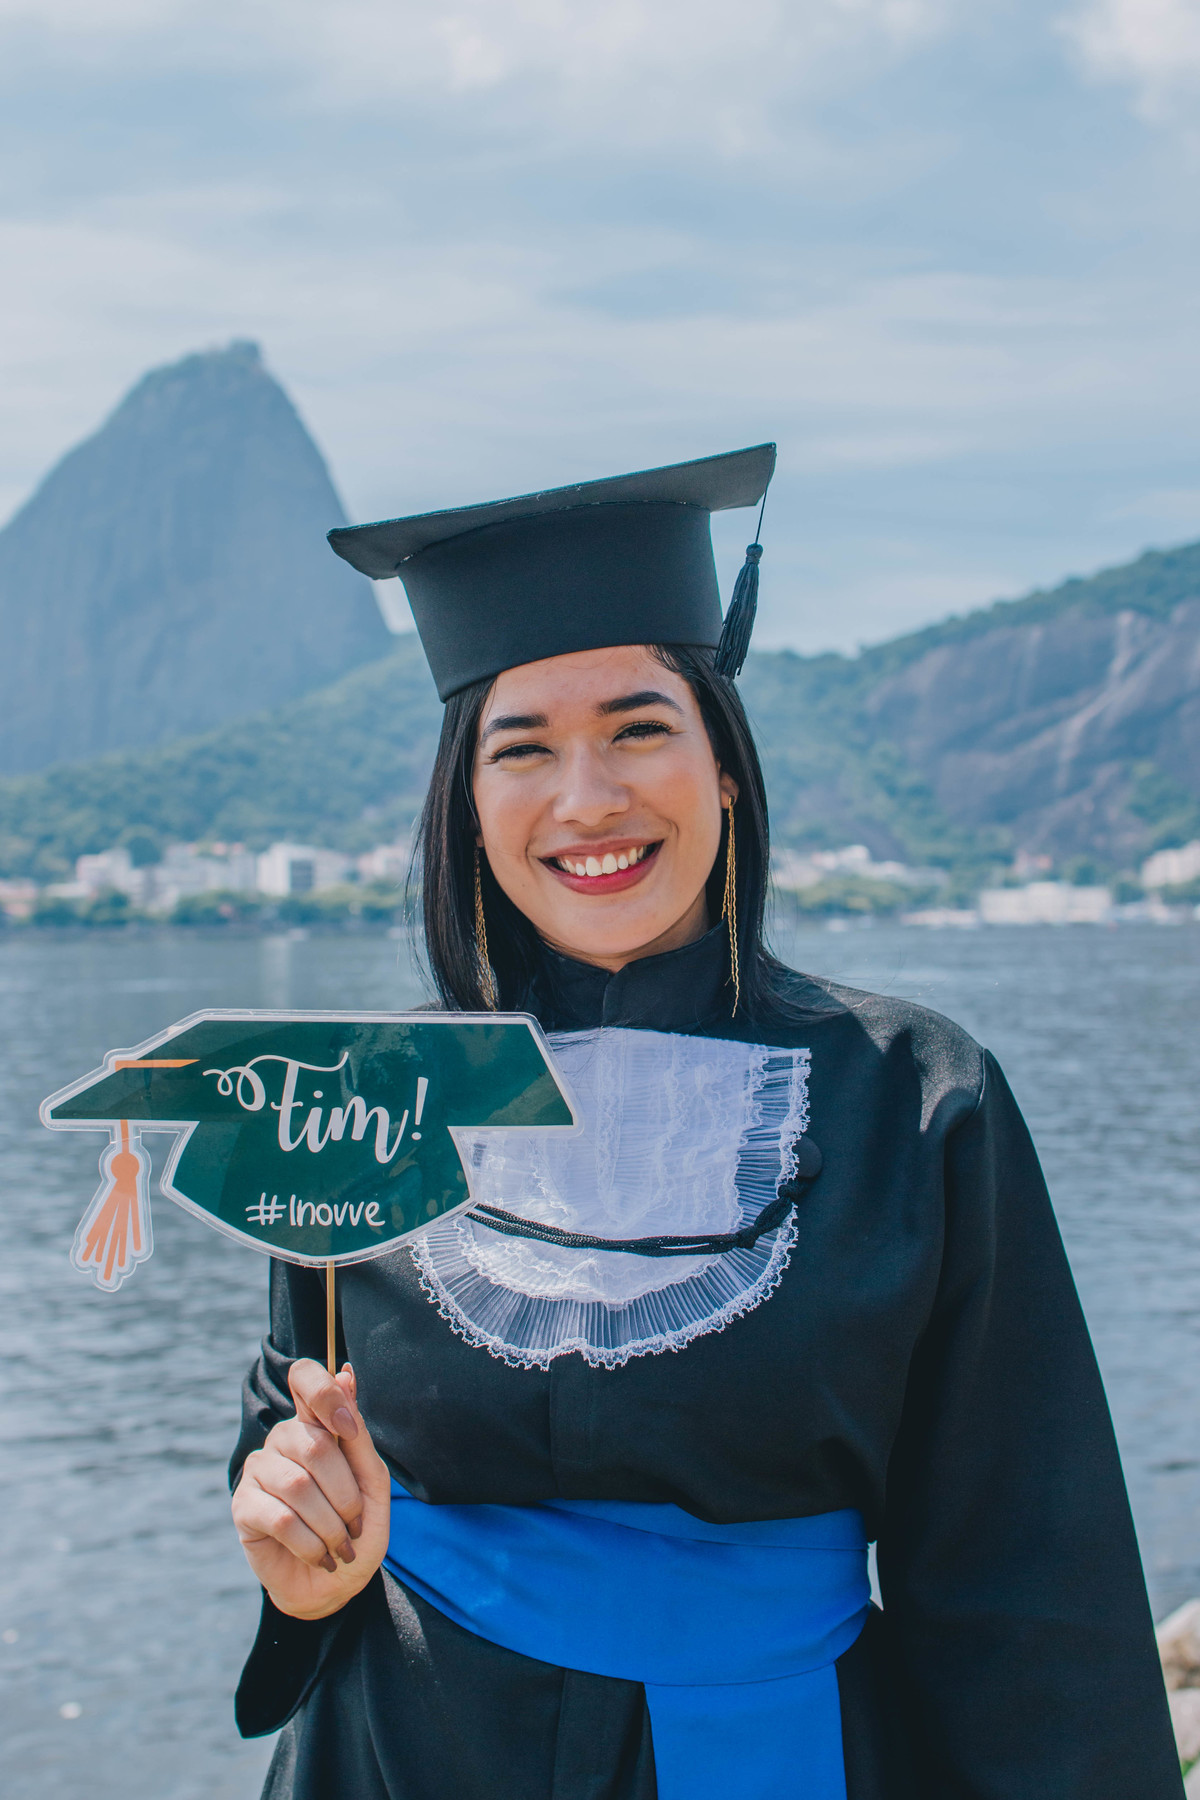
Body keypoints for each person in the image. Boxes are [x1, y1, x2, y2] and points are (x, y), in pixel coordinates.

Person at [229, 446, 1182, 1799]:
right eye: (523, 750)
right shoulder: (361, 1099)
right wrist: (290, 1547)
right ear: (469, 802)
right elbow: (289, 1436)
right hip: (398, 1757)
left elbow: (1022, 1577)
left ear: (725, 767)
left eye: (638, 727)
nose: (588, 799)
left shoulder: (914, 1097)